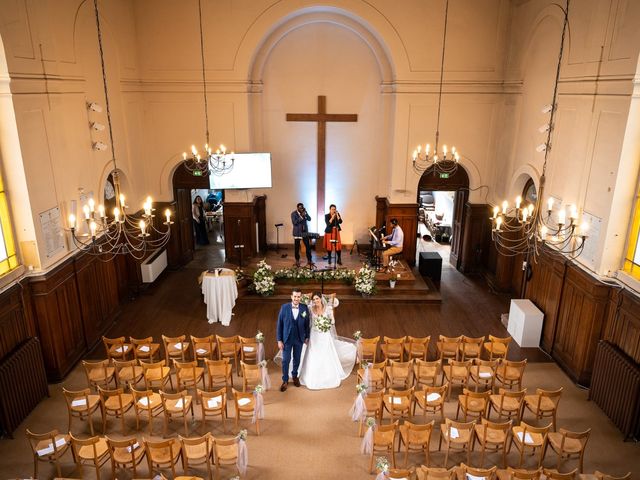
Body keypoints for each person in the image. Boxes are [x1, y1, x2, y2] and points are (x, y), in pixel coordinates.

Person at [298, 292, 357, 390]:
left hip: (325, 335)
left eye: (317, 299)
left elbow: (332, 322)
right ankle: (312, 376)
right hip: (314, 334)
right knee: (314, 353)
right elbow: (307, 321)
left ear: (321, 299)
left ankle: (328, 376)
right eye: (314, 299)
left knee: (326, 353)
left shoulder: (328, 309)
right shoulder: (310, 309)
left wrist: (326, 323)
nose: (316, 301)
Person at [276, 289, 310, 392]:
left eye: (298, 297)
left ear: (301, 297)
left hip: (299, 338)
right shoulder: (284, 307)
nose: (296, 298)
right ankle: (285, 380)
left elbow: (306, 324)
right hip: (287, 338)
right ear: (291, 297)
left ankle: (295, 376)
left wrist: (307, 336)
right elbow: (279, 325)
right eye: (295, 296)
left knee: (297, 359)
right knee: (286, 360)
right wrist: (279, 340)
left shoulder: (304, 308)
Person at [291, 203, 313, 267]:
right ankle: (297, 260)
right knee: (297, 248)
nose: (301, 209)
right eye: (300, 208)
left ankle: (309, 260)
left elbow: (309, 219)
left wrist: (306, 214)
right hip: (297, 232)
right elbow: (294, 222)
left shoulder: (304, 212)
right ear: (297, 208)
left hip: (304, 232)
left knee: (308, 247)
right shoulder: (293, 214)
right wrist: (301, 216)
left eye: (302, 207)